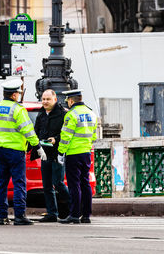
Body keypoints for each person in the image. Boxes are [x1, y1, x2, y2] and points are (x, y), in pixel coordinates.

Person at [0, 79, 47, 225]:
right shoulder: (18, 110)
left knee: (1, 183)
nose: (19, 96)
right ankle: (19, 216)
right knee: (19, 183)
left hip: (0, 150)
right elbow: (28, 131)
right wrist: (37, 146)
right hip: (16, 151)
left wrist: (1, 138)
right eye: (18, 93)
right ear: (14, 95)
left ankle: (2, 216)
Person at [57, 89, 98, 224]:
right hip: (86, 153)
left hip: (73, 153)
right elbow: (94, 136)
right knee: (85, 183)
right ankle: (86, 215)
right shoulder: (92, 114)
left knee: (74, 185)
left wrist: (61, 152)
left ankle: (74, 214)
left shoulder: (71, 115)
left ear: (71, 100)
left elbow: (66, 136)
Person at [33, 89, 71, 222]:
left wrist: (55, 139)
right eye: (43, 99)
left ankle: (74, 209)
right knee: (47, 185)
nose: (45, 102)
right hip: (45, 153)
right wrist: (37, 142)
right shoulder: (41, 113)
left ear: (55, 99)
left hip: (57, 153)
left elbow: (67, 133)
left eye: (48, 99)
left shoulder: (62, 114)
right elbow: (36, 130)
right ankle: (52, 213)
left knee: (58, 183)